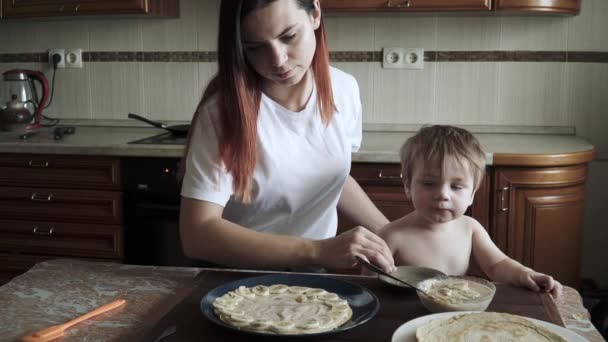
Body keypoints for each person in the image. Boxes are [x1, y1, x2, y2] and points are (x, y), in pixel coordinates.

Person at [179, 0, 396, 273]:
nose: (277, 60)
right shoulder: (221, 114)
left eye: (289, 37)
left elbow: (329, 175)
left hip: (313, 281)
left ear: (315, 13)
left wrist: (390, 236)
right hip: (239, 283)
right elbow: (198, 235)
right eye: (255, 47)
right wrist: (315, 250)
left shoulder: (344, 89)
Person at [378, 125, 563, 298]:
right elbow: (370, 286)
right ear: (408, 186)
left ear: (472, 194)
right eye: (429, 183)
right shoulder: (391, 235)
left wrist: (525, 273)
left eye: (456, 186)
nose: (443, 194)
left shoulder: (470, 228)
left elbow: (497, 265)